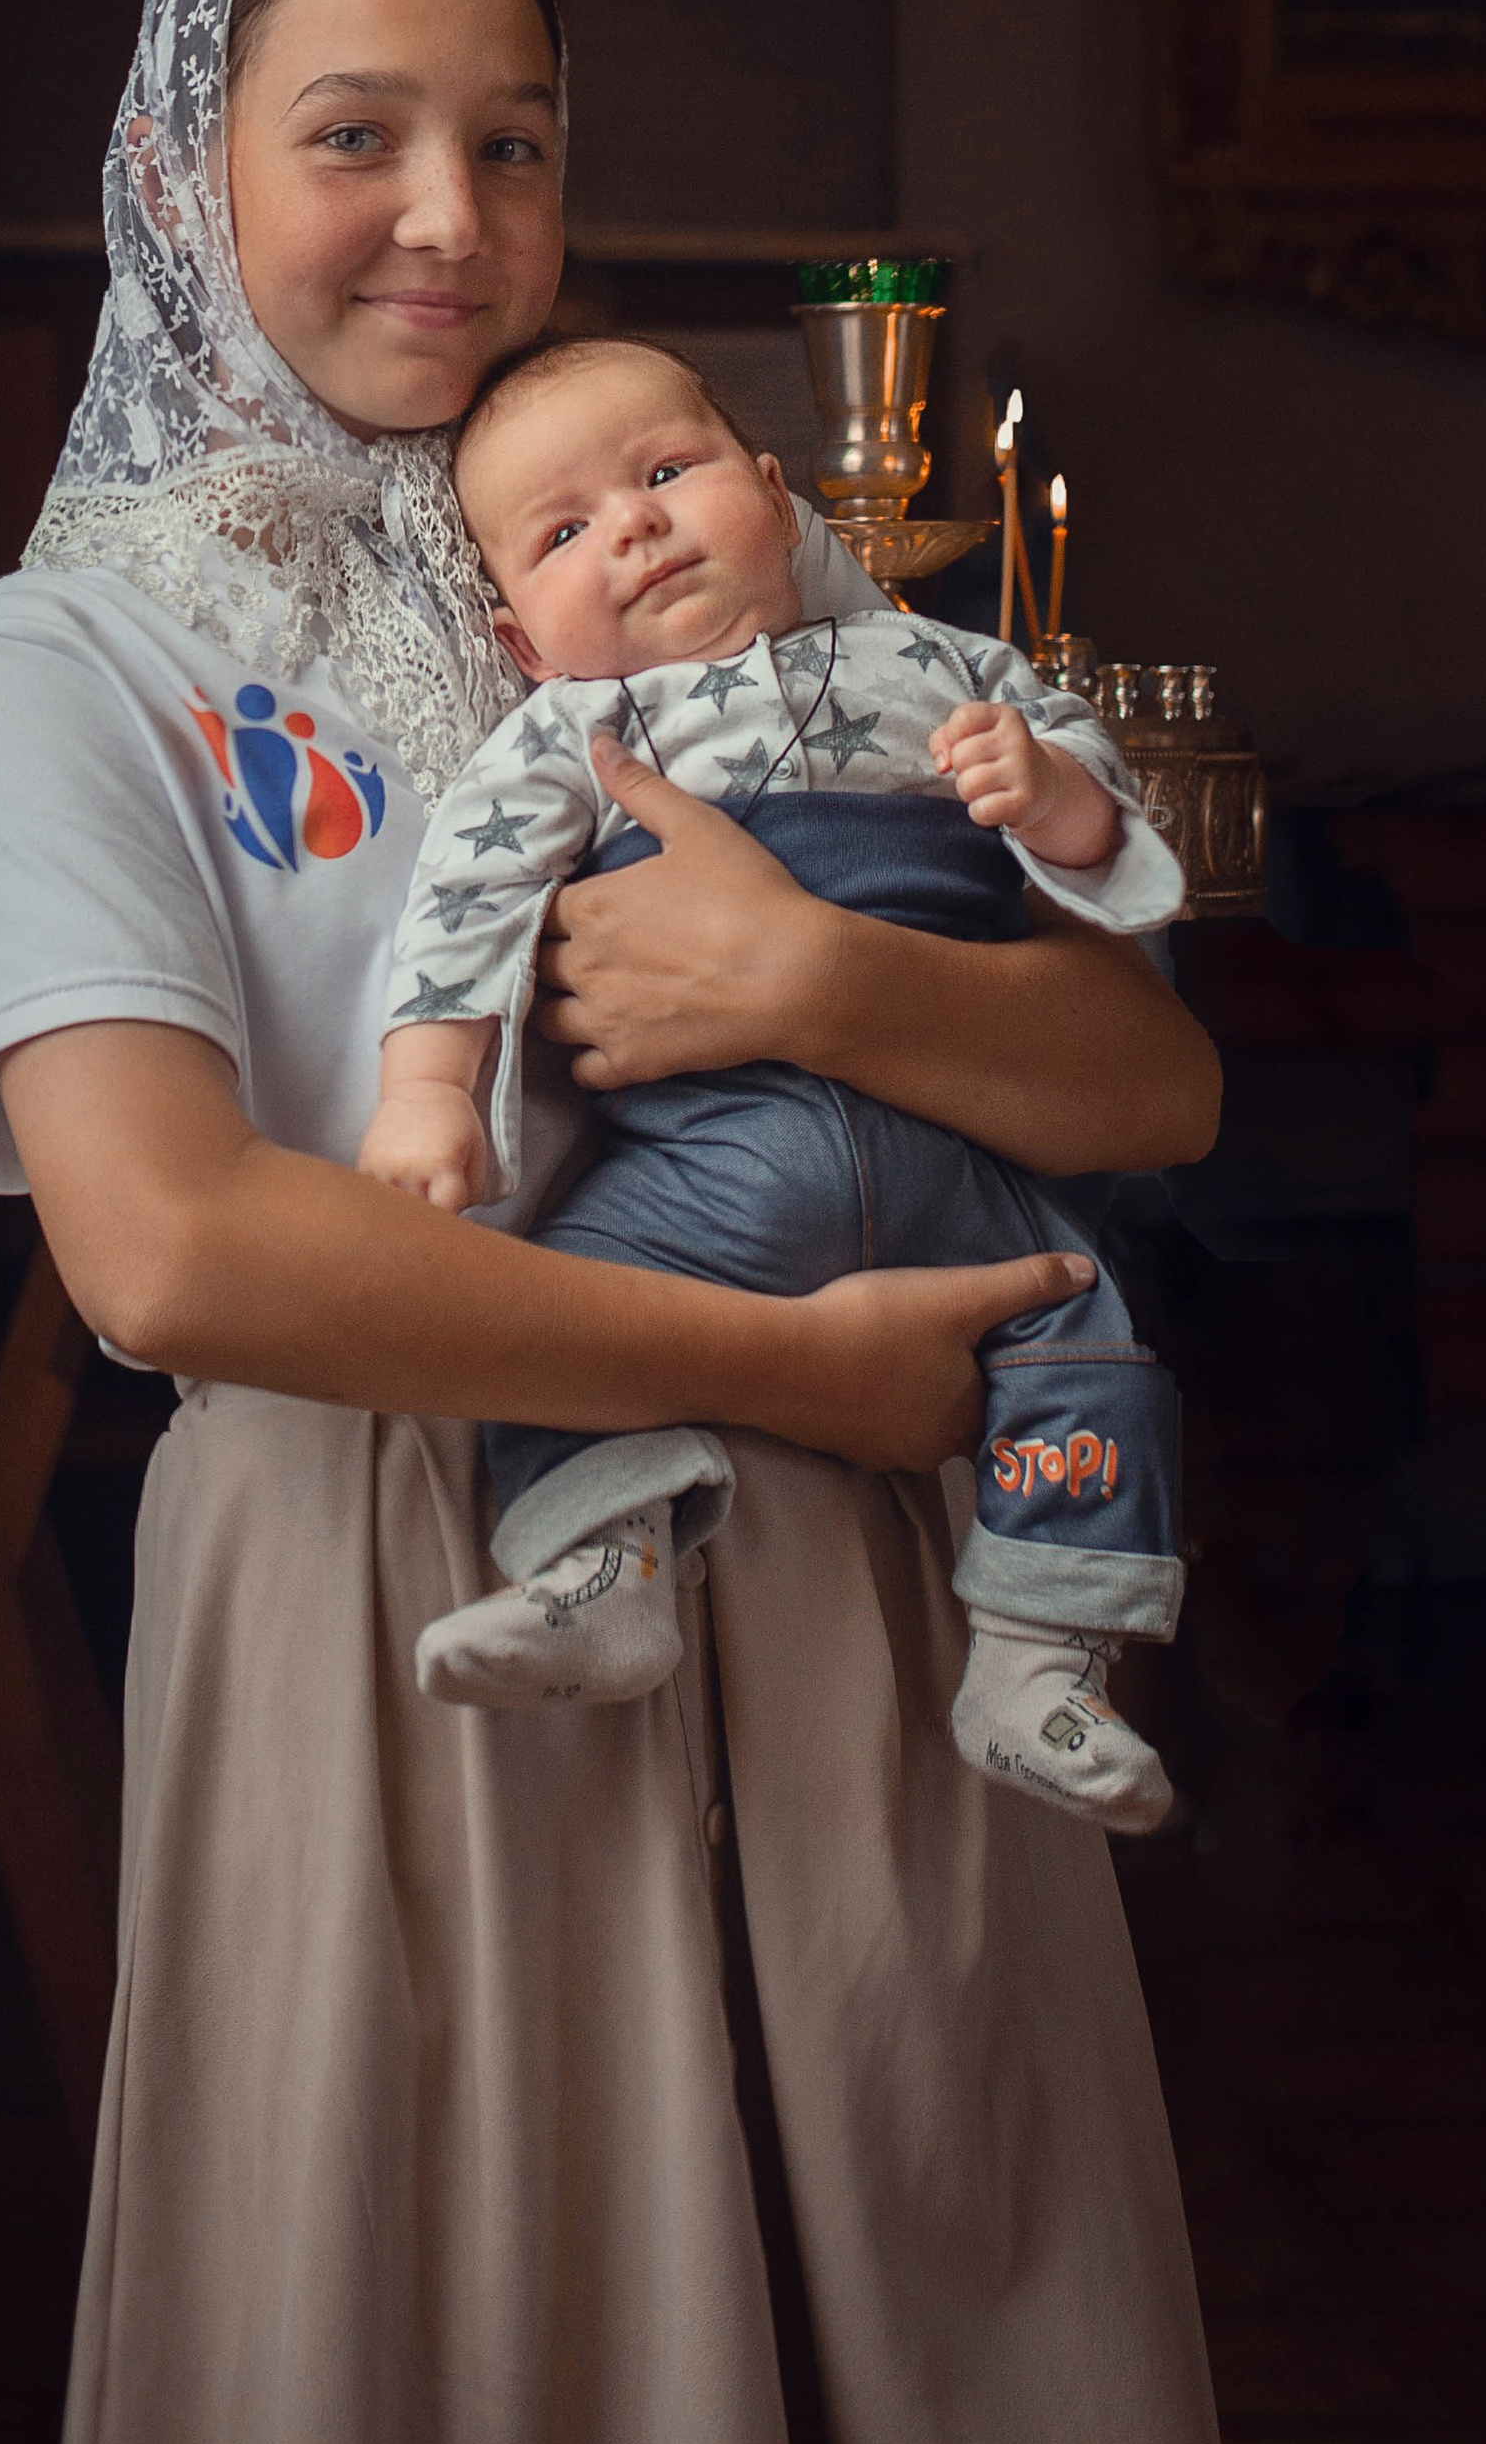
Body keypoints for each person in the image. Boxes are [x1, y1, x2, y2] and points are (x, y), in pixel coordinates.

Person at [0, 0, 1249, 2444]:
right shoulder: (57, 659)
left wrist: (815, 973)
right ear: (178, 176)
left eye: (508, 142)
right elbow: (167, 1246)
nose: (448, 215)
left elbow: (1148, 1087)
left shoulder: (687, 544)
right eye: (353, 136)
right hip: (399, 1611)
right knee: (465, 2410)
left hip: (862, 1612)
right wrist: (787, 1360)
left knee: (948, 2373)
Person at [360, 330, 1186, 1832]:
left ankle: (1038, 1662)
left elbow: (1116, 851)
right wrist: (426, 1090)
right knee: (564, 1304)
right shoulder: (572, 728)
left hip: (953, 1149)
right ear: (524, 641)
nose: (632, 524)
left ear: (774, 490)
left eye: (667, 472)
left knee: (1086, 1327)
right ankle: (601, 1579)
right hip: (712, 1161)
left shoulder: (948, 666)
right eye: (564, 532)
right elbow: (465, 904)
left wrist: (1053, 798)